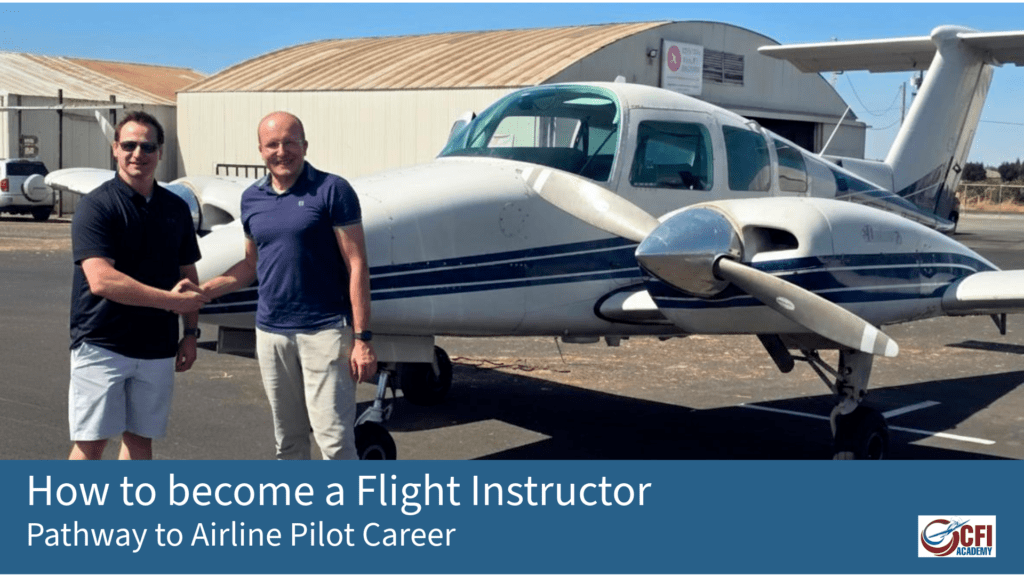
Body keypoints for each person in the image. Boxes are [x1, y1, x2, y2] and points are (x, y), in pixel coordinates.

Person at [201, 111, 377, 460]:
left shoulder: (333, 190)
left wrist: (363, 339)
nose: (282, 151)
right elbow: (251, 264)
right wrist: (204, 292)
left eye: (290, 143)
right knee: (288, 442)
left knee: (336, 443)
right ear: (260, 150)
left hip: (324, 332)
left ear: (305, 146)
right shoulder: (252, 199)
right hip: (271, 335)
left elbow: (356, 264)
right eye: (272, 144)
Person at [68, 110, 209, 460]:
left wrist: (190, 333)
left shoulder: (175, 208)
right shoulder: (96, 206)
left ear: (160, 152)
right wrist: (170, 302)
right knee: (91, 443)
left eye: (148, 147)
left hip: (157, 348)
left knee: (141, 441)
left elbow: (187, 275)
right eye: (129, 145)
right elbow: (102, 280)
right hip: (103, 344)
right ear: (115, 149)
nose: (138, 154)